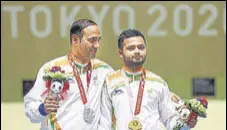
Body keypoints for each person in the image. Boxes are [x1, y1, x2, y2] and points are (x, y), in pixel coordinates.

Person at [98, 29, 207, 130]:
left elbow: (170, 120)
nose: (137, 51)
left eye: (141, 47)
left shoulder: (158, 83)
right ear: (120, 53)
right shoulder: (109, 82)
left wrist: (186, 123)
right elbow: (104, 122)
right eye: (131, 48)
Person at [24, 19, 114, 130]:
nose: (97, 45)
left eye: (98, 40)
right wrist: (44, 108)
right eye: (92, 40)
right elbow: (30, 107)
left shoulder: (104, 70)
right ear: (75, 40)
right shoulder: (51, 69)